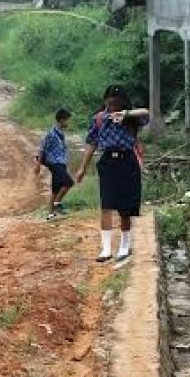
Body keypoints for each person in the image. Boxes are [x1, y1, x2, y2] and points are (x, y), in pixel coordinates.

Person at [75, 86, 151, 263]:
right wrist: (82, 168)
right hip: (108, 162)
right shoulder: (99, 119)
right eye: (109, 102)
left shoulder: (131, 119)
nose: (112, 106)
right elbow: (91, 143)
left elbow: (146, 113)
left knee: (126, 207)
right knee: (106, 204)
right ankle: (106, 248)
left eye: (116, 103)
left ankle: (125, 246)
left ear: (122, 103)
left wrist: (126, 114)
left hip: (128, 161)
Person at [34, 108, 74, 220]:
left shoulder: (60, 133)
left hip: (60, 162)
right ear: (61, 120)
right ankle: (57, 204)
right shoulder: (51, 133)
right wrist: (37, 165)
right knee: (68, 182)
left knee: (56, 189)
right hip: (54, 163)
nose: (68, 123)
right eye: (67, 120)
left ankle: (50, 214)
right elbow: (42, 149)